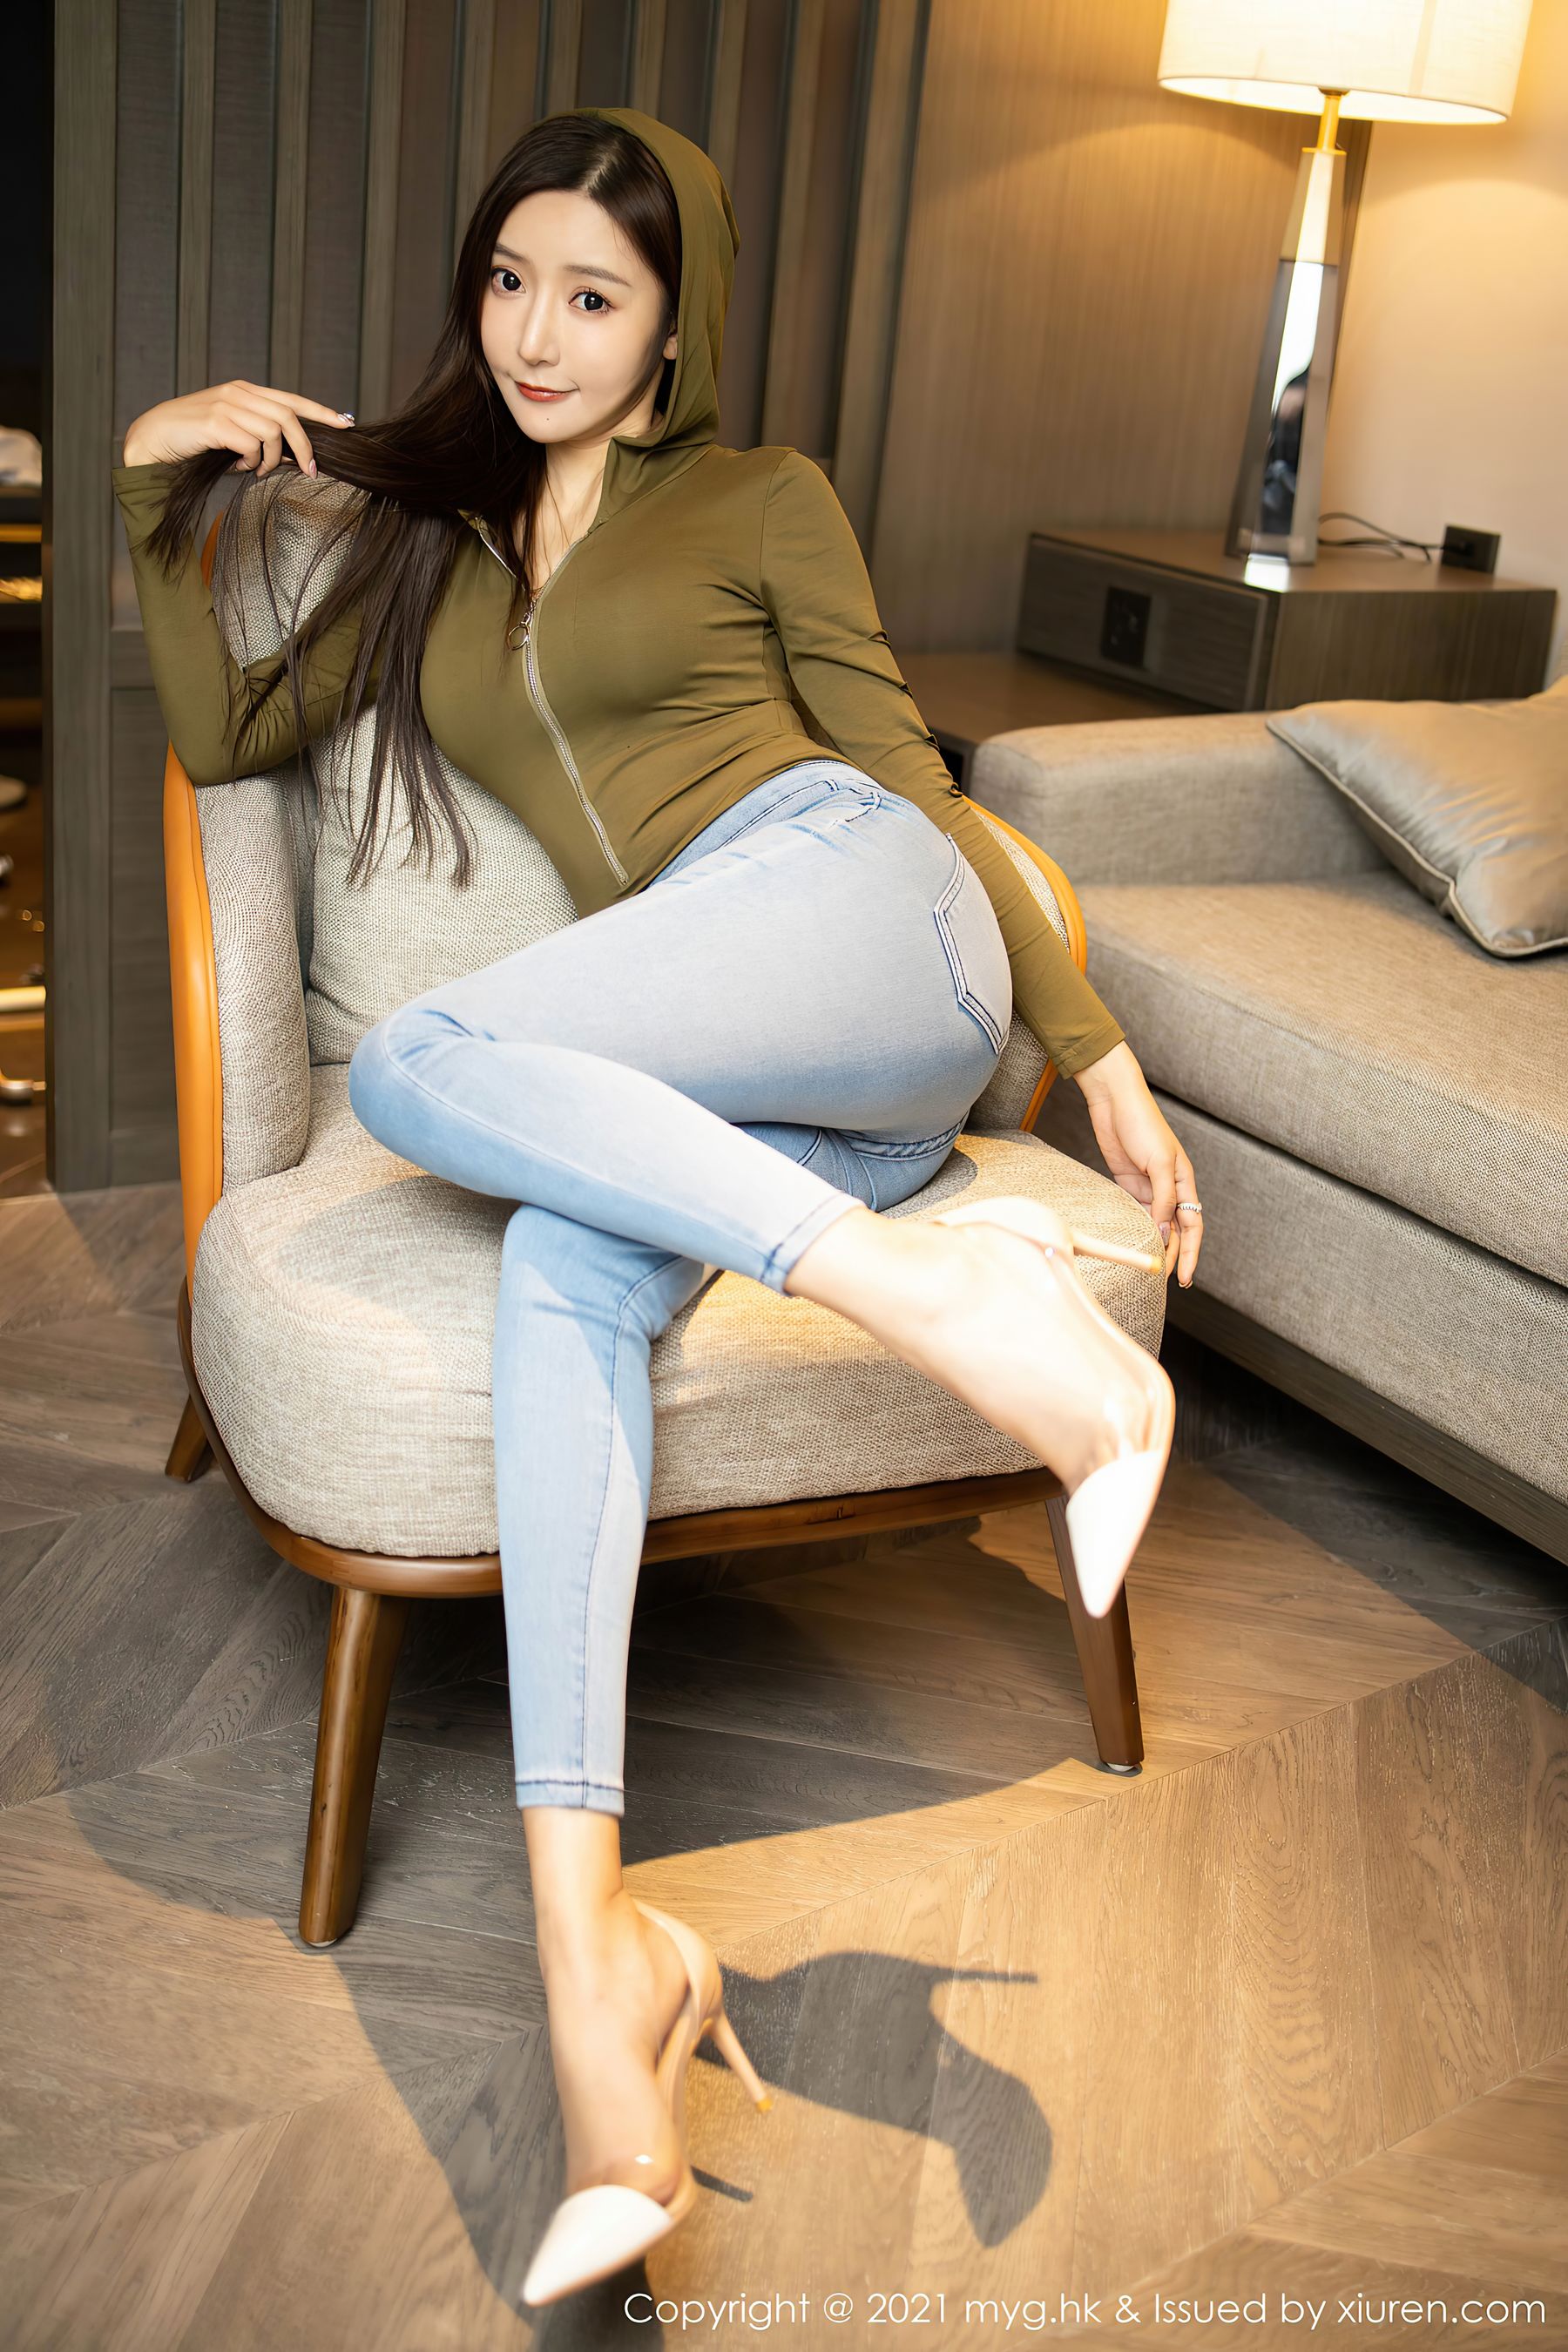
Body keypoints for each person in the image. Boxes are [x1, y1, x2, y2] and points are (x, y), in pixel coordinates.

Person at [113, 105, 1204, 2307]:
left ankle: (980, 1318)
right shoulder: (430, 546)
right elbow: (228, 733)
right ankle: (602, 1983)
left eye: (594, 297)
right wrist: (154, 476)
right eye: (510, 282)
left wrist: (1095, 1051)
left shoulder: (759, 497)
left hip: (866, 913)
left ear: (672, 325)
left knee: (421, 1063)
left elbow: (904, 776)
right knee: (565, 1255)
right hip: (749, 1083)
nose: (538, 333)